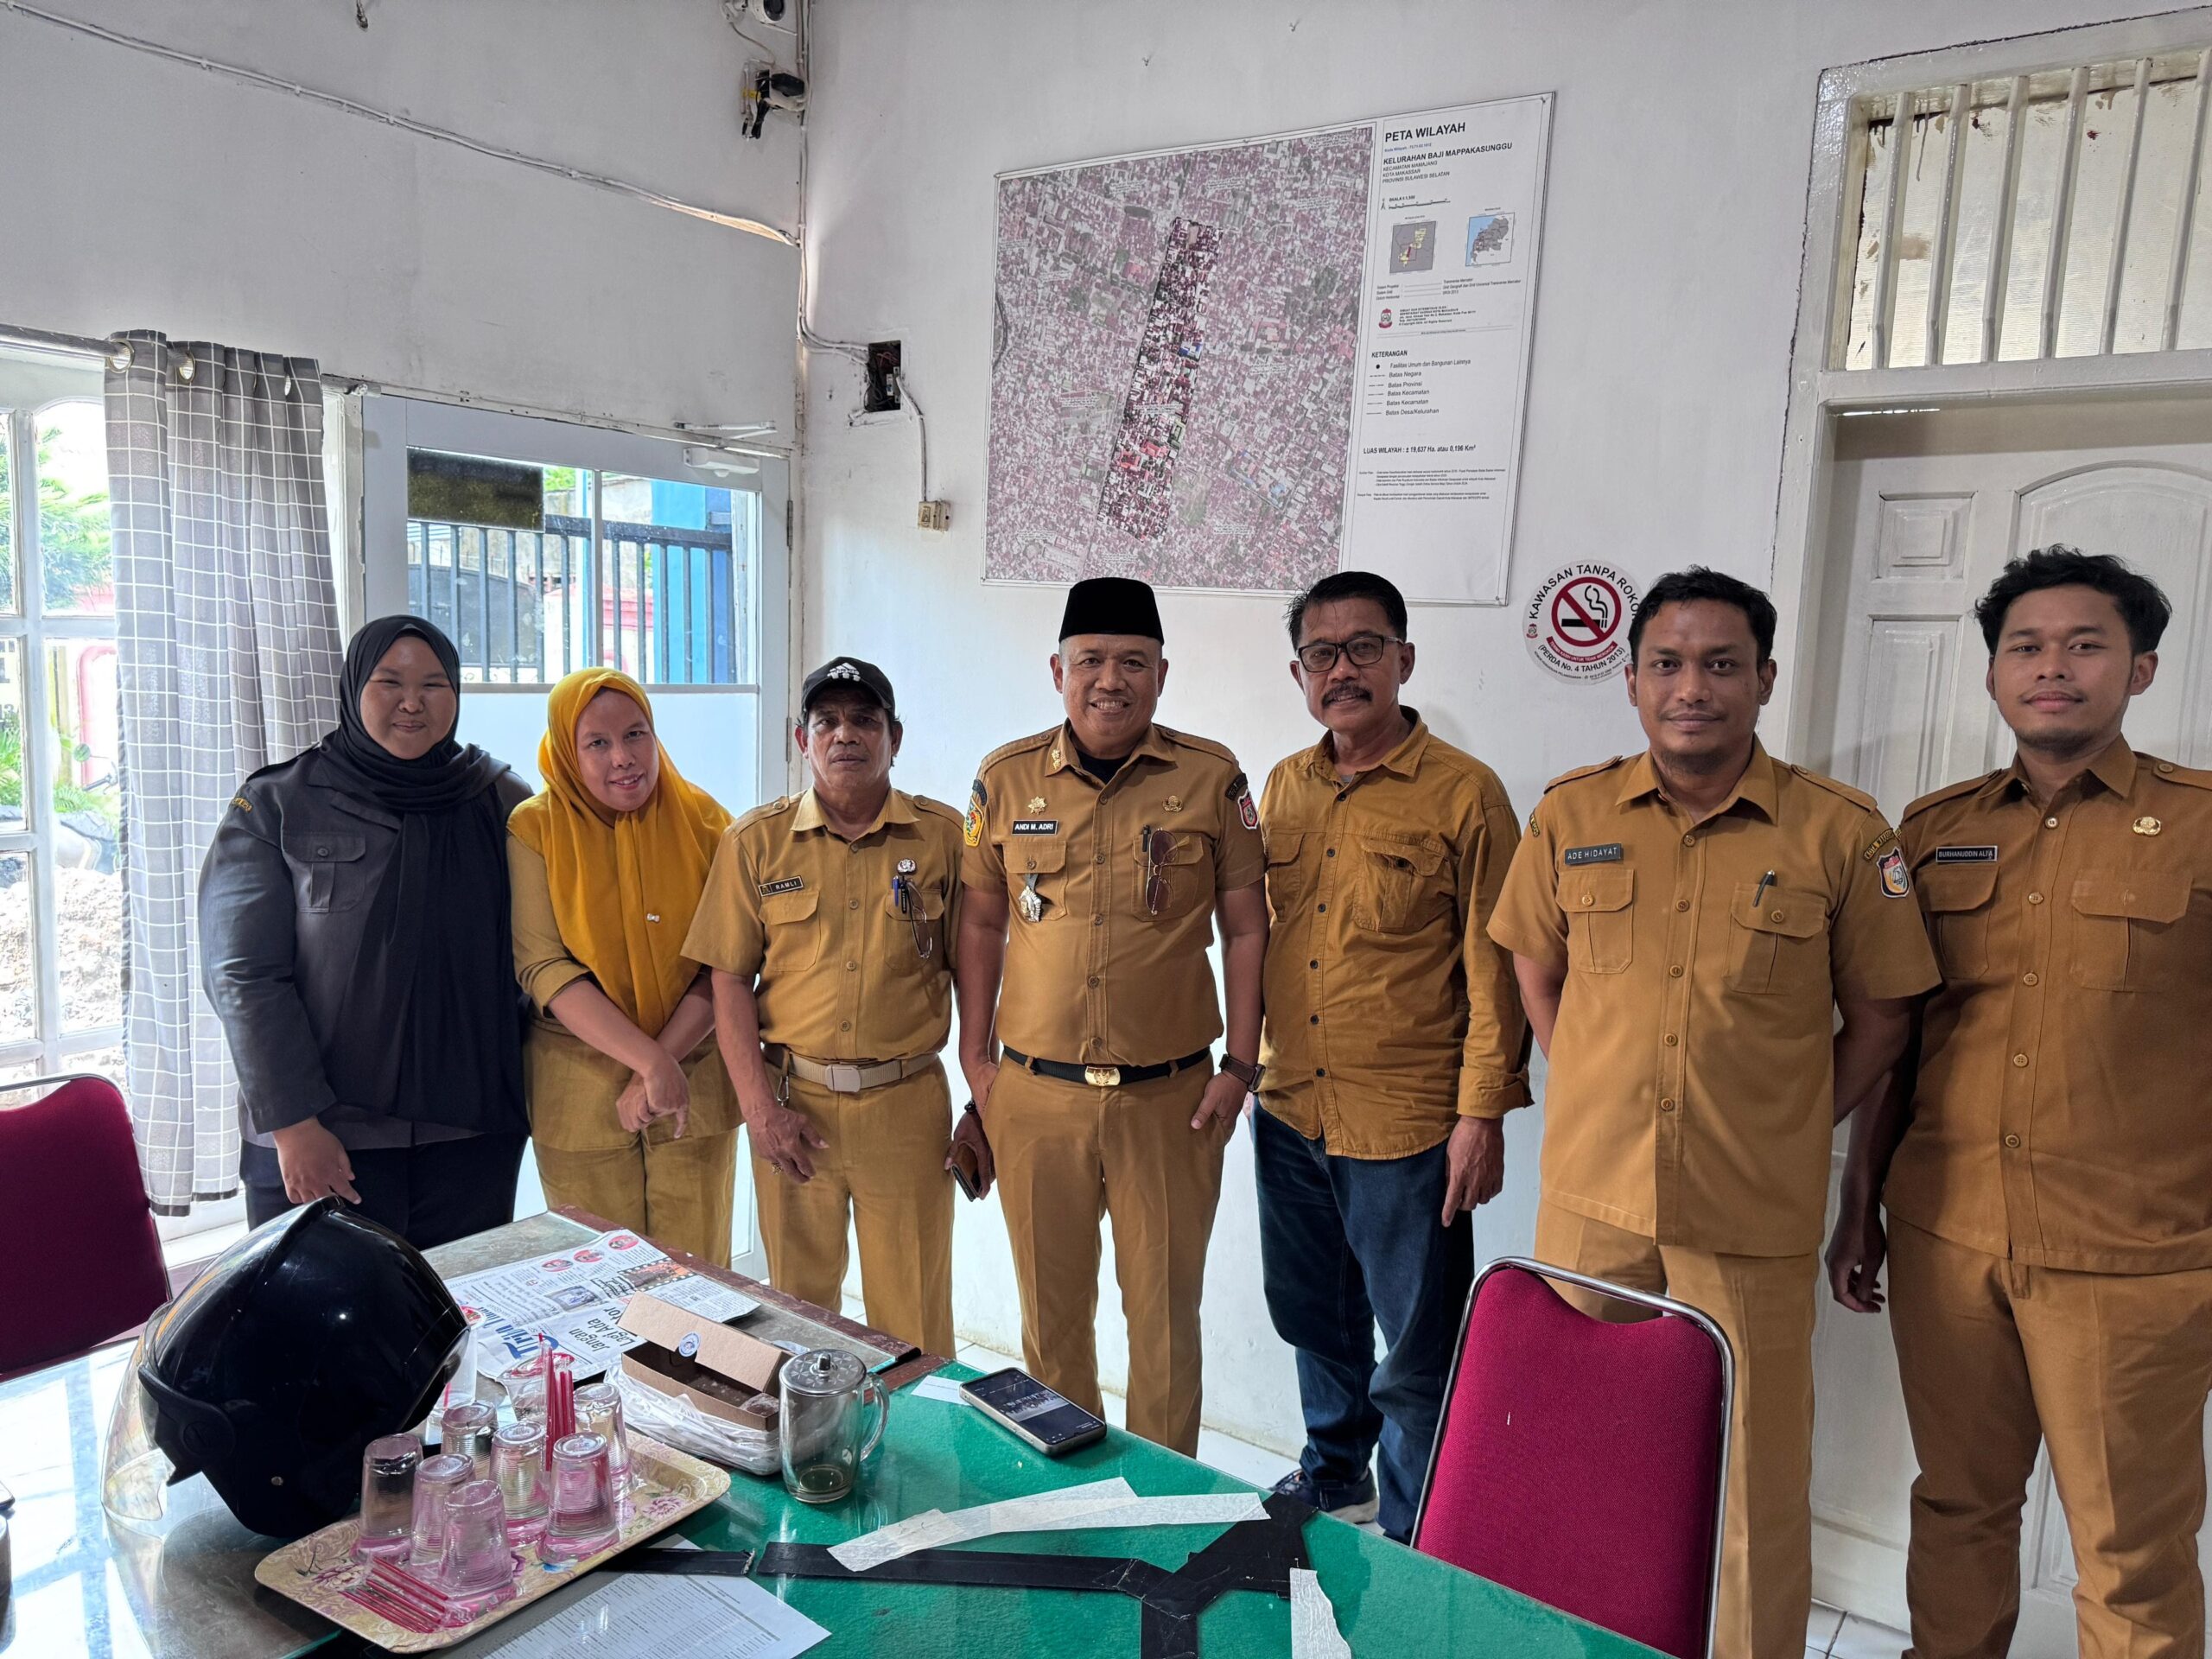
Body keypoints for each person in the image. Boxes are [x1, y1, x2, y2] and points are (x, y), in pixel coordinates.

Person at [1488, 567, 1939, 1659]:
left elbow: (1884, 1018)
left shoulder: (1839, 832)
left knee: (1751, 1480)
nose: (1692, 688)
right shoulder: (1570, 813)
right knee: (1577, 1453)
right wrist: (1585, 1070)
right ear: (1632, 680)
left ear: (1764, 679)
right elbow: (1534, 965)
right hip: (1591, 1204)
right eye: (1668, 664)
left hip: (1747, 1210)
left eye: (1721, 665)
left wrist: (1792, 1120)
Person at [1826, 548, 2212, 1659]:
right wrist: (1860, 1206)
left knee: (2130, 1549)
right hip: (1948, 1233)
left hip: (2131, 1255)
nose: (2053, 668)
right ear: (1993, 673)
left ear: (2140, 670)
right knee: (1958, 1504)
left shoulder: (2199, 825)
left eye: (2085, 645)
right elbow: (1899, 1039)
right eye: (2025, 647)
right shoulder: (1930, 830)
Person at [956, 576, 1268, 1455]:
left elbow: (1248, 928)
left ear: (1162, 675)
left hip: (1170, 1101)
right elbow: (979, 922)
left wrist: (1242, 1066)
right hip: (1035, 1097)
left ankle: (1163, 1497)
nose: (1110, 680)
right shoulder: (1005, 779)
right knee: (1051, 1318)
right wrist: (975, 1061)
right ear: (1057, 671)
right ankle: (1066, 1491)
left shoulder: (1211, 779)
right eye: (1090, 660)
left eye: (1133, 662)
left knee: (1163, 1319)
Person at [1252, 570, 1529, 1541]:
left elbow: (1495, 970)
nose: (1343, 670)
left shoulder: (1465, 794)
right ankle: (1335, 1476)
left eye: (1364, 648)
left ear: (1403, 659)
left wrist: (1481, 1116)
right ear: (1299, 672)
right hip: (1290, 1107)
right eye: (1321, 654)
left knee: (1415, 1356)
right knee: (1313, 1319)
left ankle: (1417, 1537)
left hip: (1408, 1125)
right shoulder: (1283, 786)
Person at [200, 615, 531, 1250]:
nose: (412, 702)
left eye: (433, 684)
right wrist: (294, 1125)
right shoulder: (278, 803)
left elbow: (538, 955)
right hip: (327, 1136)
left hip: (469, 1136)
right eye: (390, 682)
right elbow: (242, 974)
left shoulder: (500, 800)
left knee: (451, 1304)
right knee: (317, 1307)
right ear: (354, 688)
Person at [684, 657, 981, 1354]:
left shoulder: (943, 839)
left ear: (894, 738)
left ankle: (915, 1429)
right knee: (797, 1316)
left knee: (914, 1320)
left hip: (906, 1108)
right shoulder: (755, 842)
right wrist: (759, 1110)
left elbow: (978, 977)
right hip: (794, 1104)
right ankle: (811, 1428)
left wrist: (984, 1101)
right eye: (828, 722)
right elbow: (729, 981)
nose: (846, 735)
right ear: (803, 740)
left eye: (864, 721)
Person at [508, 667, 738, 1263]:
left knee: (697, 1281)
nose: (623, 758)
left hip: (694, 1081)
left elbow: (725, 963)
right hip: (580, 1090)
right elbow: (544, 967)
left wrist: (664, 1063)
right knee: (600, 1283)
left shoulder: (709, 824)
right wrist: (650, 1062)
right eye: (597, 743)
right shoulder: (534, 828)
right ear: (567, 750)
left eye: (636, 734)